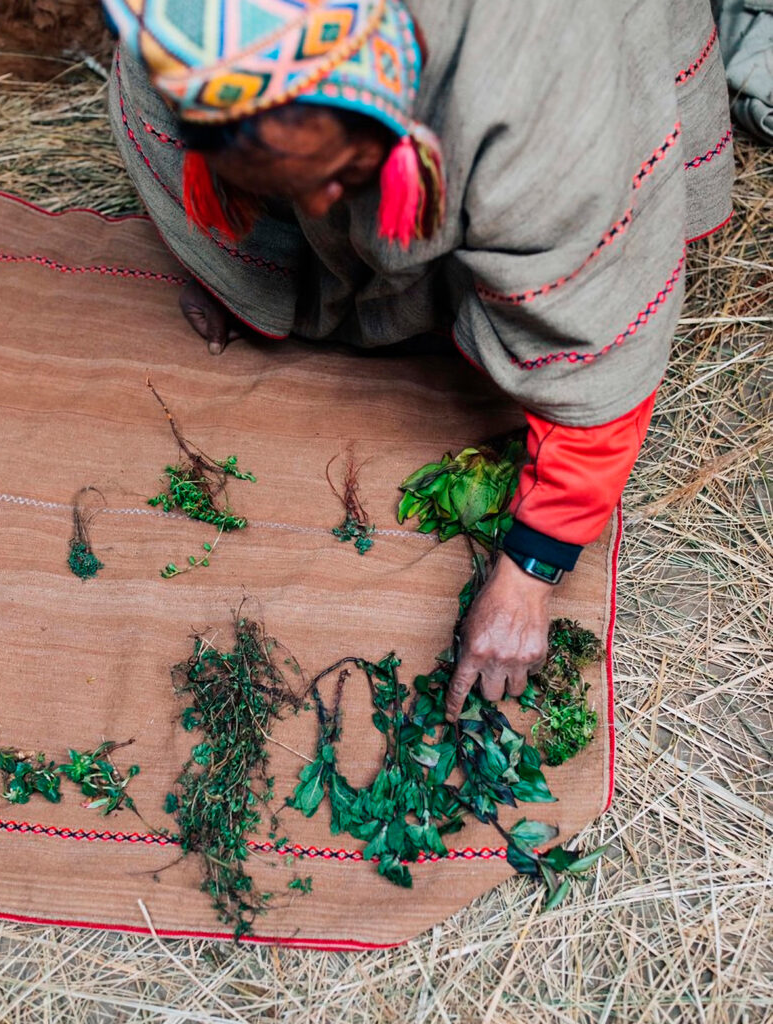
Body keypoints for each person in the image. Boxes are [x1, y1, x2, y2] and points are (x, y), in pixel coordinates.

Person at [104, 0, 734, 723]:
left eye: (338, 178)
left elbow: (593, 355)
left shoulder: (536, 115)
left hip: (519, 86)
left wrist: (529, 572)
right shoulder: (194, 28)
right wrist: (232, 249)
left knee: (534, 274)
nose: (318, 202)